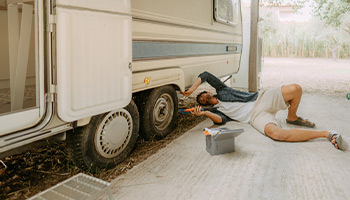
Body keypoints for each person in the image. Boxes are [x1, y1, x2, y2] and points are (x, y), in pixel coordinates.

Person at [181, 71, 346, 150]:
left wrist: (191, 90)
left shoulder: (223, 90)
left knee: (296, 89)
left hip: (260, 99)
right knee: (278, 135)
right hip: (255, 116)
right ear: (206, 105)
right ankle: (326, 134)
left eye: (203, 95)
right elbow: (219, 121)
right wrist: (203, 113)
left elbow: (206, 75)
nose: (204, 99)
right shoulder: (217, 111)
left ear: (208, 92)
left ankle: (292, 116)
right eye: (202, 101)